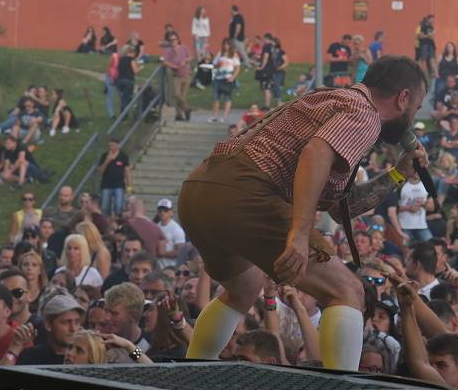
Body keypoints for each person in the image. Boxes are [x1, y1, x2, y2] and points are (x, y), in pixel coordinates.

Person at [178, 56, 427, 370]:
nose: (414, 115)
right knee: (346, 291)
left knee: (244, 287)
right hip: (246, 191)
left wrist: (398, 174)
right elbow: (317, 152)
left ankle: (194, 370)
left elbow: (342, 210)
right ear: (403, 97)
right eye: (416, 107)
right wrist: (299, 233)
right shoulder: (366, 113)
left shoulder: (328, 99)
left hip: (199, 190)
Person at [16, 294, 83, 365]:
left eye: (77, 322)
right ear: (48, 324)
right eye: (65, 322)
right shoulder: (29, 357)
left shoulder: (84, 359)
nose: (73, 328)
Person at [162, 32, 193, 122]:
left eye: (174, 39)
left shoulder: (184, 48)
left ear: (178, 40)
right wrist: (173, 66)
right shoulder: (168, 50)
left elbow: (190, 57)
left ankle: (178, 115)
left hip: (186, 74)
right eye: (171, 40)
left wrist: (185, 61)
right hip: (176, 75)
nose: (173, 41)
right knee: (177, 94)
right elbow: (165, 61)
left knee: (183, 96)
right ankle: (187, 108)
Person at [97, 138, 131, 217]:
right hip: (106, 186)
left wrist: (129, 188)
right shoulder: (104, 155)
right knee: (105, 208)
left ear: (118, 146)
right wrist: (107, 161)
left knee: (119, 207)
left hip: (119, 185)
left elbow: (127, 172)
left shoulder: (123, 156)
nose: (111, 148)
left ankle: (117, 223)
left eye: (113, 146)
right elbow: (100, 171)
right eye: (110, 146)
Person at [210, 39, 241, 123]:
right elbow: (214, 64)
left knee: (227, 98)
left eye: (227, 44)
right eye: (224, 44)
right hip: (219, 78)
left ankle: (224, 117)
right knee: (216, 98)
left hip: (228, 78)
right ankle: (214, 116)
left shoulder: (234, 54)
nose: (226, 46)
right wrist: (217, 65)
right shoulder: (220, 54)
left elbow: (237, 67)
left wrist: (233, 77)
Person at [155, 199, 185, 270]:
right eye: (160, 210)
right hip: (157, 267)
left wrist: (163, 253)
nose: (162, 213)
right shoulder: (156, 227)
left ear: (171, 212)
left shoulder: (176, 229)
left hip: (170, 267)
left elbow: (181, 252)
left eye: (165, 210)